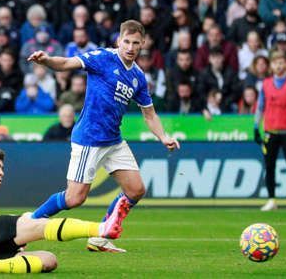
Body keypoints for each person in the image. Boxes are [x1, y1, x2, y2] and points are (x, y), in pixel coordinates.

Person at [27, 20, 180, 253]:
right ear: (119, 40)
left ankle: (100, 238)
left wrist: (163, 137)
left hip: (113, 140)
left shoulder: (138, 76)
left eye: (135, 43)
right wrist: (46, 60)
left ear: (142, 45)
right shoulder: (102, 58)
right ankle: (28, 225)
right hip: (89, 138)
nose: (130, 47)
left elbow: (149, 114)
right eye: (126, 41)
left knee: (136, 190)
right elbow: (68, 62)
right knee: (74, 198)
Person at [0, 110, 128, 274]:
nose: (1, 172)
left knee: (48, 259)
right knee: (36, 223)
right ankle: (101, 228)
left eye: (2, 168)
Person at [254, 51, 286, 212]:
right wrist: (256, 127)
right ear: (271, 66)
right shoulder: (266, 84)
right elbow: (260, 107)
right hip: (270, 131)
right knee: (269, 166)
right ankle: (271, 199)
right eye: (276, 63)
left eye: (282, 62)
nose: (279, 66)